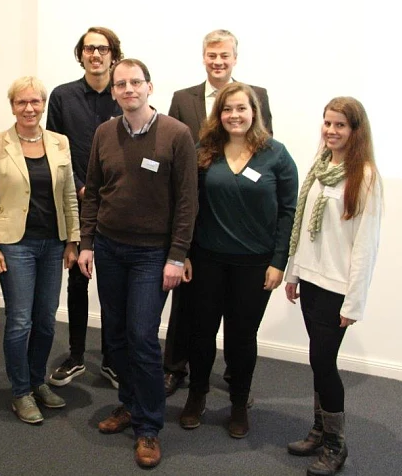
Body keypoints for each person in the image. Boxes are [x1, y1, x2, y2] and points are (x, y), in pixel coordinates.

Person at [79, 59, 197, 468]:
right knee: (114, 336)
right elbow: (93, 191)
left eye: (135, 82)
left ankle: (148, 427)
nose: (128, 89)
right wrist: (87, 243)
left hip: (152, 255)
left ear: (149, 87)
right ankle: (129, 404)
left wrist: (177, 255)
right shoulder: (104, 133)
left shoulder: (176, 135)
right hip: (109, 249)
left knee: (143, 338)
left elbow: (187, 201)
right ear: (113, 91)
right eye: (121, 84)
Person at [181, 83, 297, 439]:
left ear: (254, 112)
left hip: (254, 264)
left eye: (241, 109)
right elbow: (186, 206)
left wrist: (279, 262)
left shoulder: (275, 155)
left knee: (241, 337)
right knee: (201, 333)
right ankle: (196, 395)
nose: (234, 115)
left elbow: (288, 213)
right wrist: (183, 253)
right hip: (206, 260)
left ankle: (238, 403)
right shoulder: (203, 152)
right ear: (219, 114)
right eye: (227, 109)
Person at [164, 28, 273, 396]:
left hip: (237, 217)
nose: (218, 62)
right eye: (212, 56)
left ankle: (234, 374)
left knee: (238, 315)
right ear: (203, 57)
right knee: (187, 300)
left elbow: (264, 148)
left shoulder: (256, 97)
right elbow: (172, 153)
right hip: (195, 214)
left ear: (235, 58)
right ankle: (175, 366)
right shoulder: (182, 99)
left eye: (225, 56)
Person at [285, 97, 382, 476]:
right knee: (317, 359)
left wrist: (353, 303)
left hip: (336, 288)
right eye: (327, 123)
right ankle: (319, 429)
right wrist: (294, 274)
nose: (331, 130)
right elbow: (303, 228)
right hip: (310, 280)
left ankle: (336, 446)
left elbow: (365, 245)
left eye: (340, 125)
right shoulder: (320, 168)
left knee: (324, 362)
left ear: (355, 131)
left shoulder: (365, 176)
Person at [0, 76, 79, 424]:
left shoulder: (60, 142)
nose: (29, 108)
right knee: (20, 321)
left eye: (35, 101)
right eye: (22, 102)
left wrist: (73, 240)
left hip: (53, 244)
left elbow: (68, 196)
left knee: (46, 321)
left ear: (44, 104)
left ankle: (38, 382)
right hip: (14, 244)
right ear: (12, 106)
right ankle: (20, 391)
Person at [46, 26, 124, 389]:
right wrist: (79, 186)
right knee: (76, 280)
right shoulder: (62, 96)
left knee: (111, 284)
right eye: (89, 48)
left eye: (103, 49)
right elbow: (54, 147)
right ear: (81, 54)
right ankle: (76, 355)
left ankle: (112, 360)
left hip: (116, 206)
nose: (96, 55)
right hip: (74, 201)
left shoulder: (124, 94)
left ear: (113, 55)